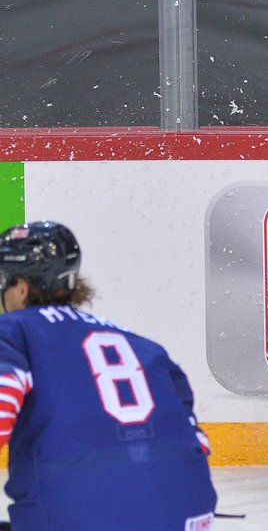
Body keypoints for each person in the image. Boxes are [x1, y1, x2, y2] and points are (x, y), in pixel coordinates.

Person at [0, 221, 218, 529]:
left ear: (21, 287)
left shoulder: (13, 331)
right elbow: (196, 442)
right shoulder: (143, 345)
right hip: (187, 513)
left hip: (76, 515)